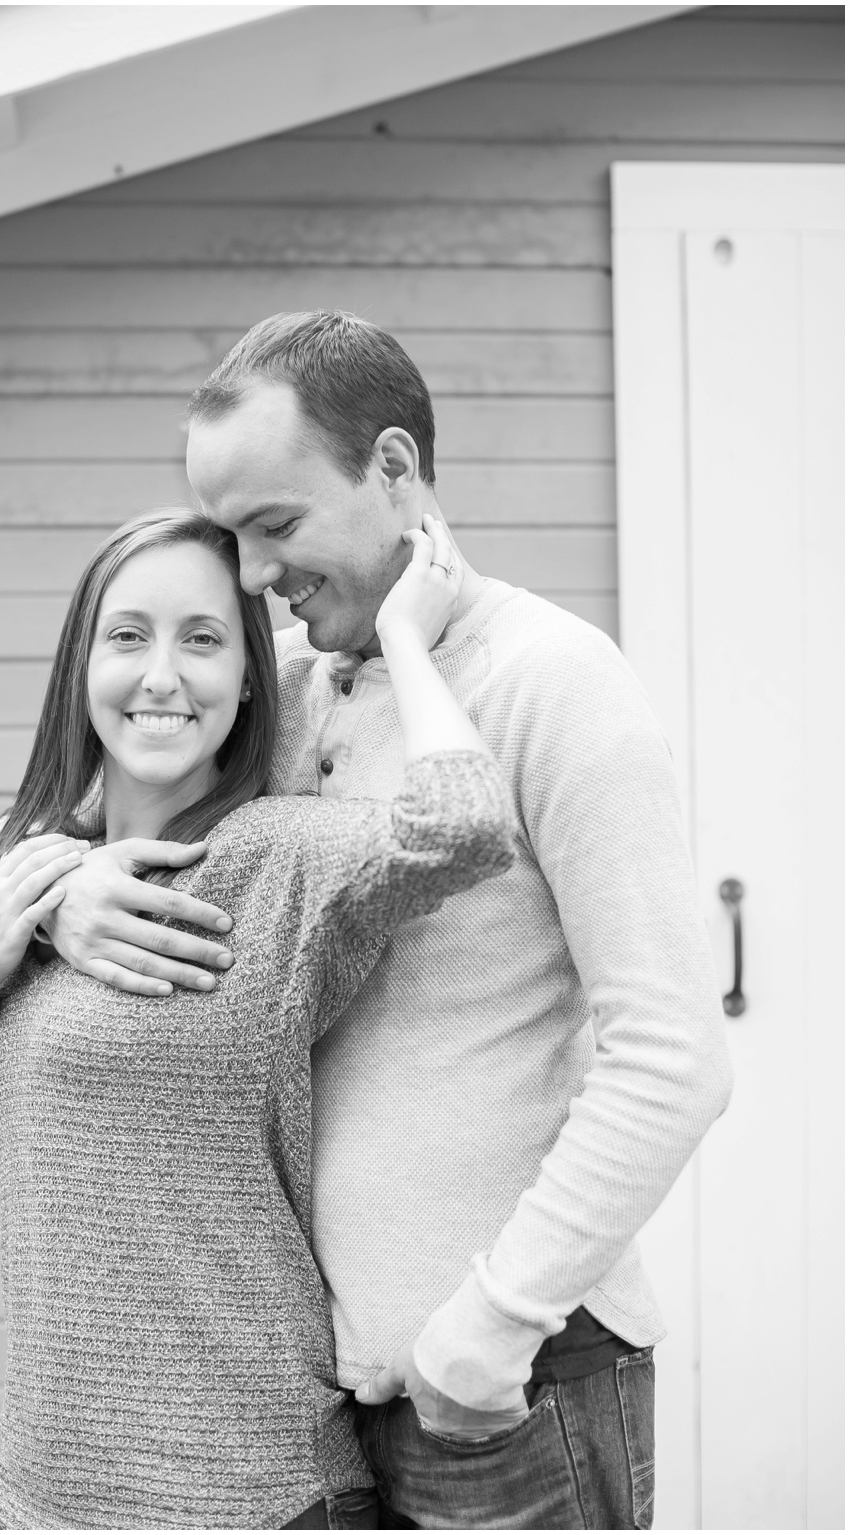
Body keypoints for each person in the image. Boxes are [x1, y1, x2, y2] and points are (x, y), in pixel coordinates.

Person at [39, 312, 733, 1527]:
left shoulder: (552, 682)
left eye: (277, 526)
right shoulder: (297, 694)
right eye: (233, 537)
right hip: (338, 1402)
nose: (254, 579)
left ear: (395, 470)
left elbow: (672, 1055)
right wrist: (60, 895)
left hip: (508, 1389)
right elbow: (86, 811)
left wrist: (489, 1325)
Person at [0, 507, 516, 1529]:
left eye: (201, 638)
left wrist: (404, 638)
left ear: (251, 677)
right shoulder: (25, 865)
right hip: (37, 1494)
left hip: (248, 1490)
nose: (161, 674)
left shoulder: (281, 856)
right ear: (79, 665)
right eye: (127, 635)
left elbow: (462, 828)